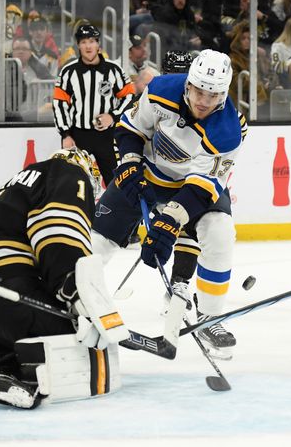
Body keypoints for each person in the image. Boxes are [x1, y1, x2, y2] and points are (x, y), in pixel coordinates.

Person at [90, 49, 245, 360]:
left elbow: (202, 187)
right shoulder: (161, 89)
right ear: (188, 84)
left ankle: (210, 317)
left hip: (191, 187)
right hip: (146, 173)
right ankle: (74, 302)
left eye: (213, 95)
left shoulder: (229, 129)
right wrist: (131, 164)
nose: (203, 100)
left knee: (220, 231)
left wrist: (170, 220)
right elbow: (132, 128)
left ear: (224, 94)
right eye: (199, 91)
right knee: (95, 240)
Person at [0, 148, 128, 409]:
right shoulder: (69, 173)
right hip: (3, 283)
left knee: (8, 330)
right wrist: (77, 296)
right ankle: (22, 376)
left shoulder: (19, 181)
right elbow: (59, 235)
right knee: (76, 338)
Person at [53, 24, 135, 186]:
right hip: (77, 135)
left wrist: (112, 116)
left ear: (98, 44)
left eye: (91, 41)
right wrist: (66, 134)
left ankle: (115, 211)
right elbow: (60, 104)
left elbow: (129, 97)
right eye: (83, 42)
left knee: (115, 182)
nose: (88, 46)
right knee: (73, 180)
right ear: (78, 45)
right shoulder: (68, 72)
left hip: (107, 136)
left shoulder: (114, 70)